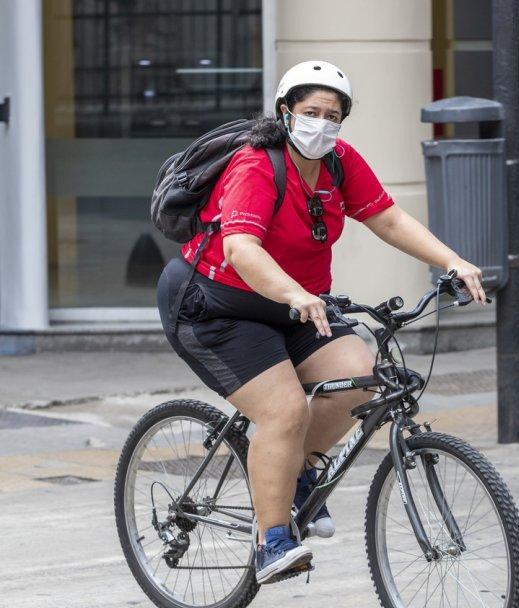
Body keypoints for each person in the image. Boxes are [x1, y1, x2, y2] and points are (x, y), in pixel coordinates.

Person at [155, 60, 486, 584]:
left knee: (363, 377)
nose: (322, 124)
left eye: (334, 116)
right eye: (312, 112)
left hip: (296, 304)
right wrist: (295, 293)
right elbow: (242, 249)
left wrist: (452, 261)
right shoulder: (256, 165)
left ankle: (300, 473)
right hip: (214, 306)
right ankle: (272, 541)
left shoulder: (339, 161)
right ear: (286, 112)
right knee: (284, 410)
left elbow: (388, 218)